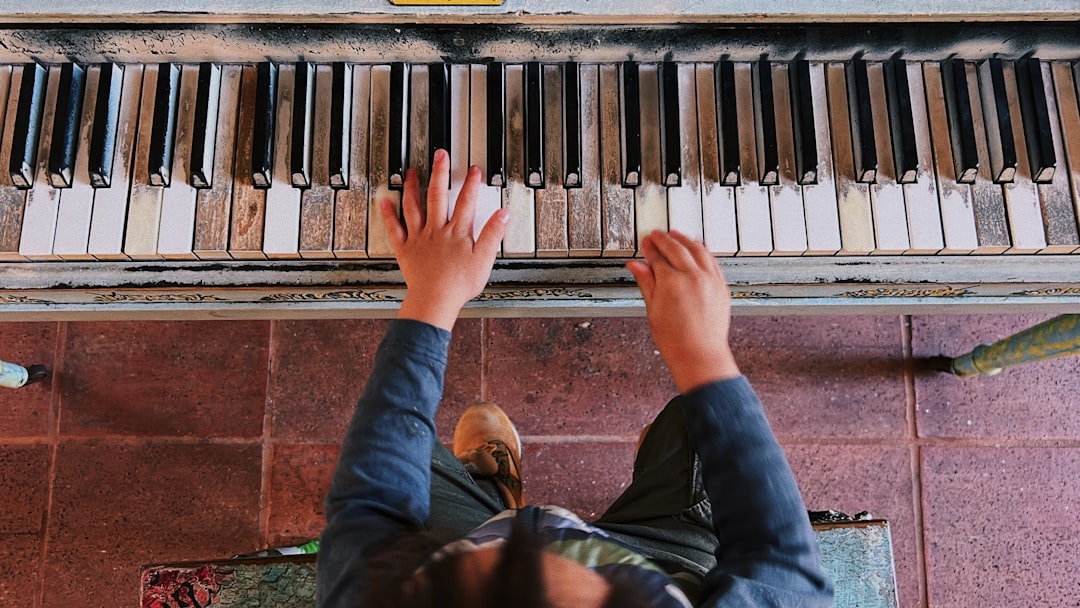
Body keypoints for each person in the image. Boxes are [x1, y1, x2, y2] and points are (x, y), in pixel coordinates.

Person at [317, 149, 833, 607]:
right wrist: (702, 355)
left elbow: (371, 505)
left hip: (466, 535)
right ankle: (654, 488)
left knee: (397, 451)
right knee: (699, 427)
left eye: (500, 573)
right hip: (659, 552)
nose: (555, 552)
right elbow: (783, 566)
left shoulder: (373, 595)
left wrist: (432, 298)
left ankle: (495, 494)